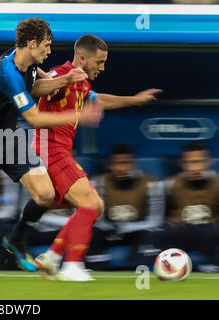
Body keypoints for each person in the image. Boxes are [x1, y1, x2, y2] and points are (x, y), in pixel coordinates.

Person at [0, 17, 103, 276]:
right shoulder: (8, 74)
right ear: (32, 43)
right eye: (47, 46)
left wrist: (65, 80)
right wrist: (78, 117)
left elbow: (38, 85)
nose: (49, 52)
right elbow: (35, 118)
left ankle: (16, 240)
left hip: (9, 138)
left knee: (45, 194)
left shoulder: (25, 60)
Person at [32, 34, 161, 281]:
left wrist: (134, 100)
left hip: (61, 151)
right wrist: (62, 80)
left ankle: (52, 256)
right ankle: (72, 266)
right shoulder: (61, 74)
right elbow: (38, 88)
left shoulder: (83, 85)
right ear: (82, 58)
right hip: (48, 150)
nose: (102, 68)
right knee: (89, 203)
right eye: (99, 62)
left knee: (96, 207)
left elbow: (98, 99)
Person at [84, 144, 165, 270]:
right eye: (117, 163)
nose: (122, 168)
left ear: (134, 164)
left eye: (126, 163)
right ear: (110, 165)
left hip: (138, 229)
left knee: (153, 234)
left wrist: (128, 227)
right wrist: (109, 226)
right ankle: (96, 271)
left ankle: (139, 272)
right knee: (91, 232)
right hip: (110, 229)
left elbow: (156, 221)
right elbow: (96, 217)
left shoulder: (151, 183)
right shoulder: (98, 182)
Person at [147, 142, 219, 272]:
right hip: (183, 231)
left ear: (209, 162)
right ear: (182, 164)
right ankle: (166, 269)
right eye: (189, 162)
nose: (194, 168)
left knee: (211, 232)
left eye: (198, 162)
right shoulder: (169, 184)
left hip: (210, 232)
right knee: (164, 231)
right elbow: (159, 217)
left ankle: (211, 267)